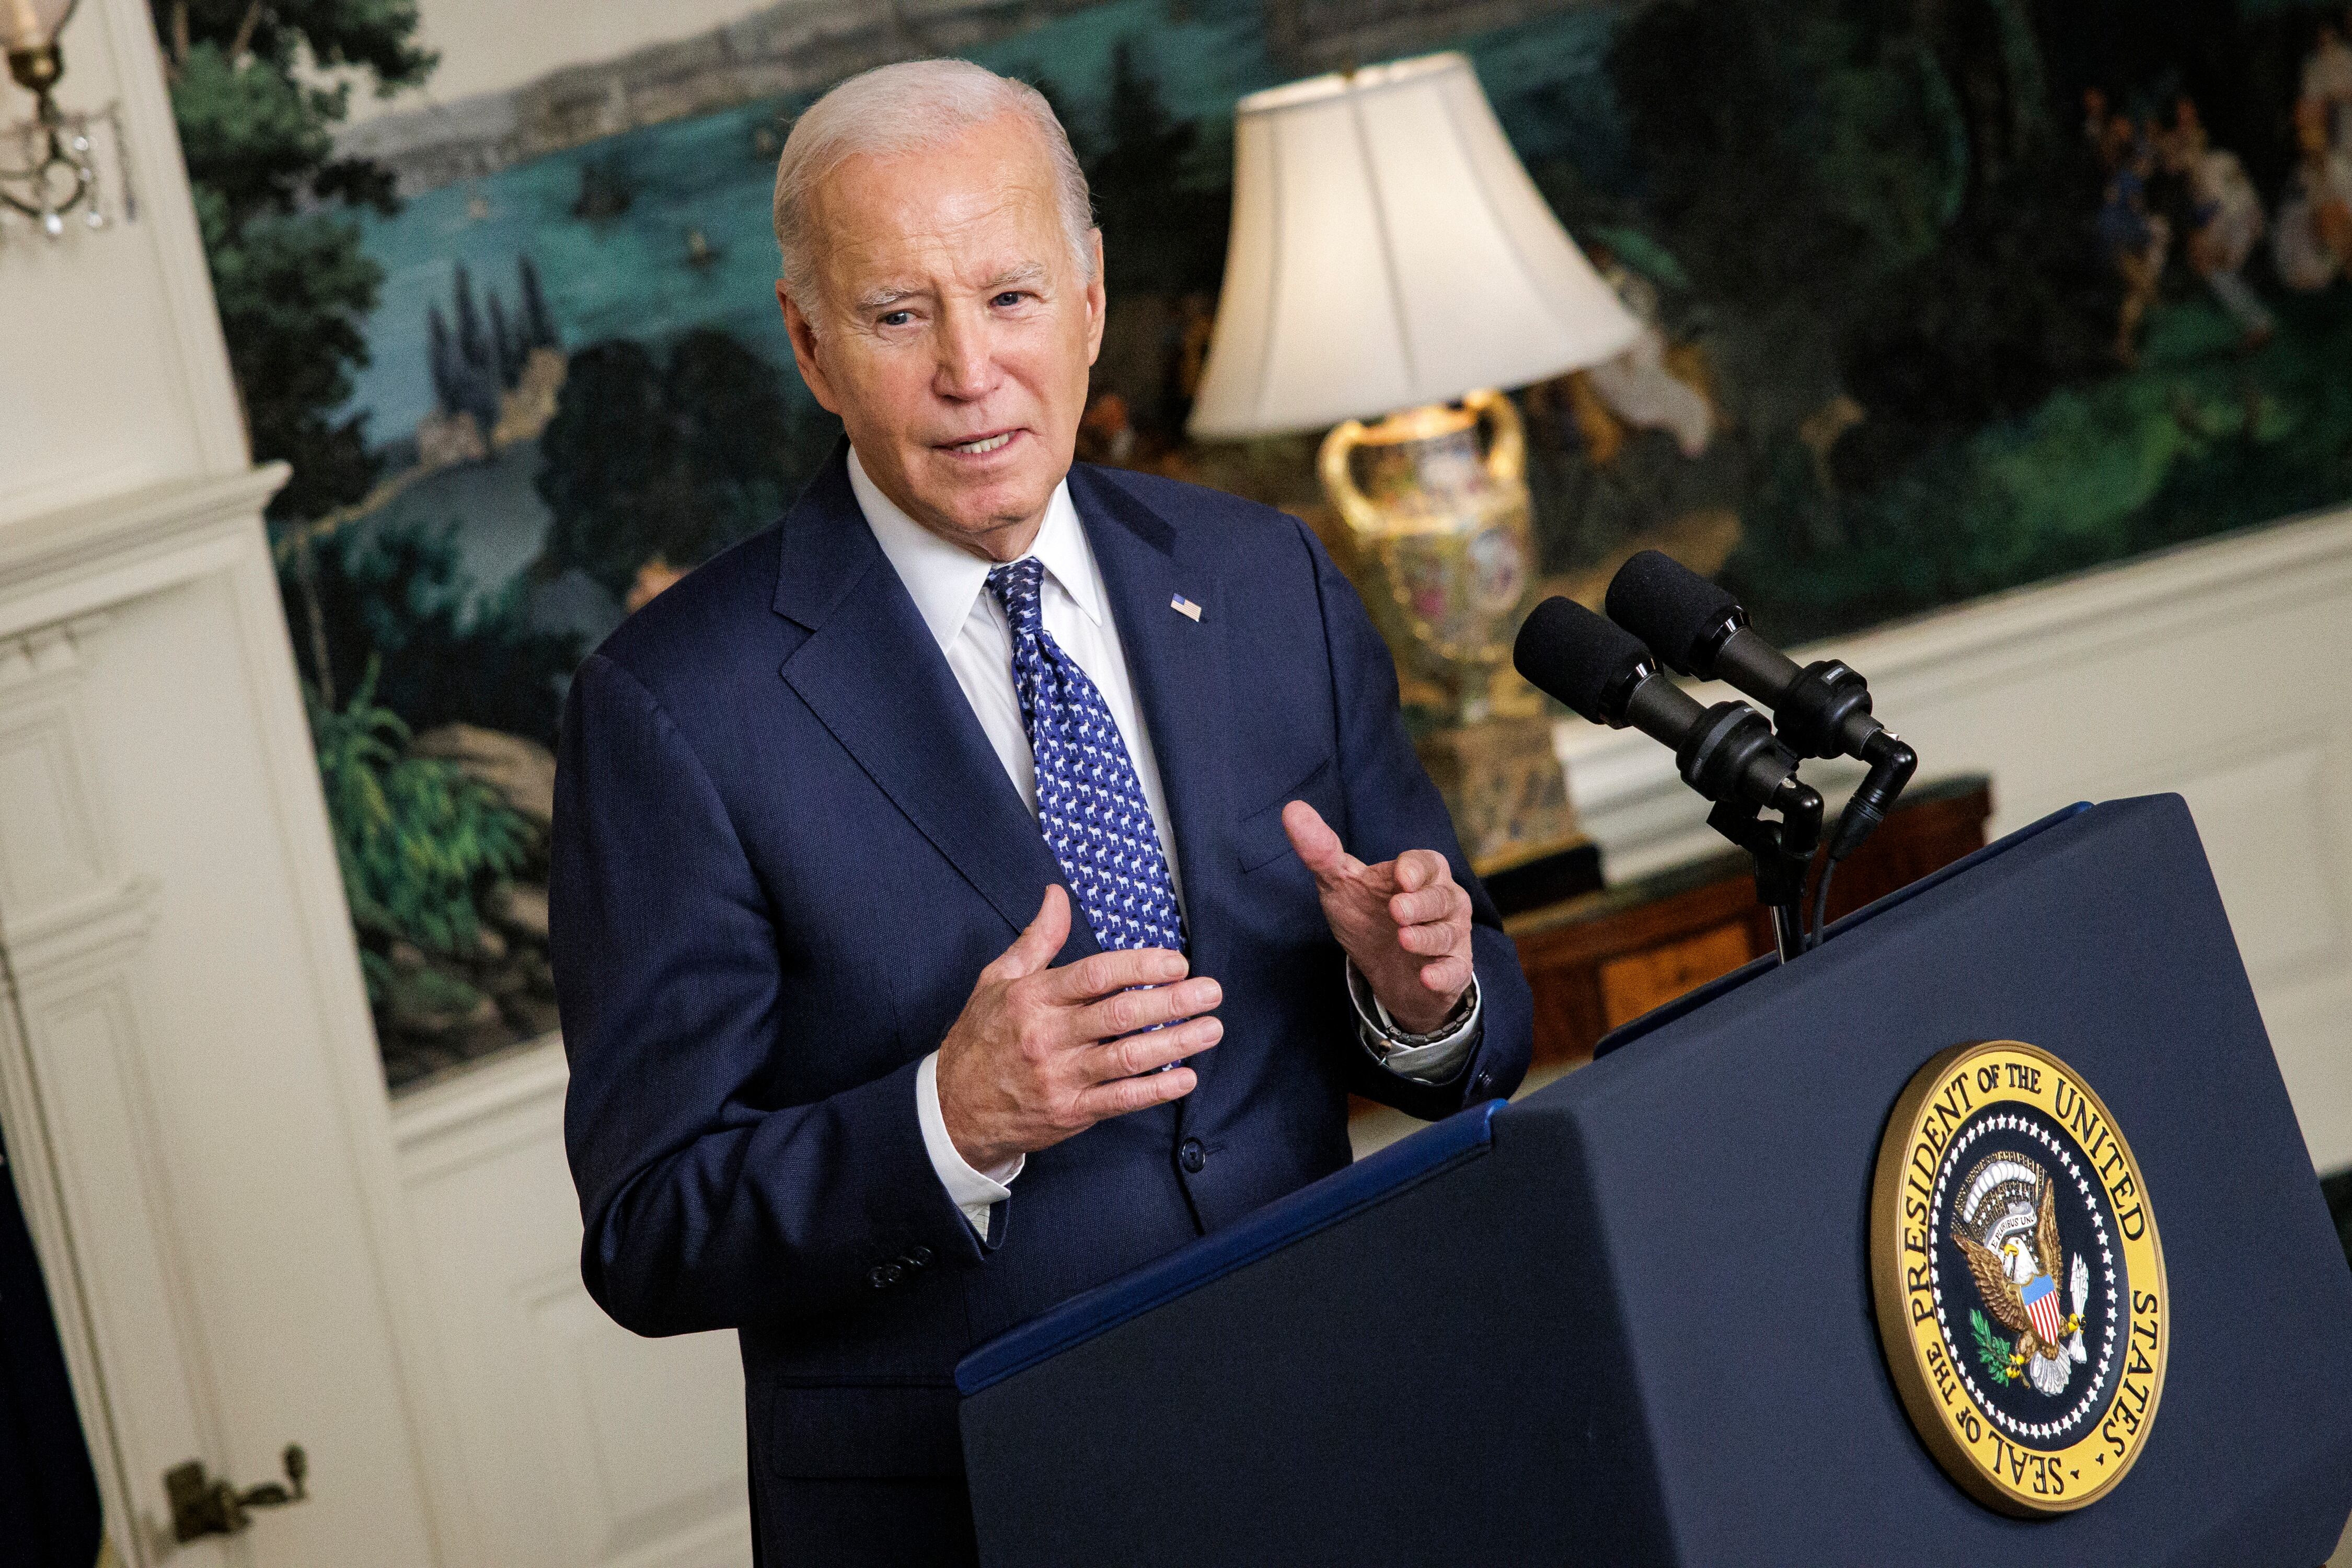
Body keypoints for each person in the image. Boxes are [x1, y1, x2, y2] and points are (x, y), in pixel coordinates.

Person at [549, 59, 1533, 1567]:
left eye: (1009, 297)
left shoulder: (1266, 580)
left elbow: (1466, 1027)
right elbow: (649, 1229)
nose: (967, 371)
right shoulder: (672, 707)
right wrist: (948, 1120)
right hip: (970, 1507)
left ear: (1086, 300)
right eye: (897, 316)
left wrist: (1416, 998)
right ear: (810, 348)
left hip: (1331, 1435)